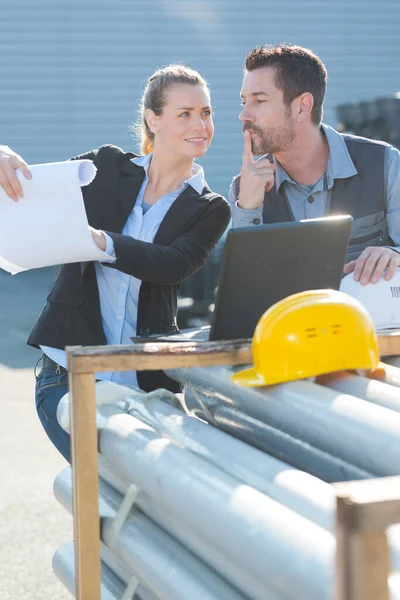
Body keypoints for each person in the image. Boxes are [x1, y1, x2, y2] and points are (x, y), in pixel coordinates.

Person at [0, 65, 230, 463]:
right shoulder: (104, 167)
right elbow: (32, 190)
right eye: (185, 113)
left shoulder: (209, 208)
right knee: (106, 490)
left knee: (136, 505)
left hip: (146, 385)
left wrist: (99, 241)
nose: (201, 124)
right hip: (67, 377)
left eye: (206, 112)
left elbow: (171, 264)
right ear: (152, 120)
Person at [230, 44, 400, 286]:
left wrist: (394, 254)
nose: (244, 115)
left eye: (259, 100)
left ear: (302, 107)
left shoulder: (385, 165)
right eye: (244, 101)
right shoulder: (243, 190)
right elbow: (242, 290)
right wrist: (247, 210)